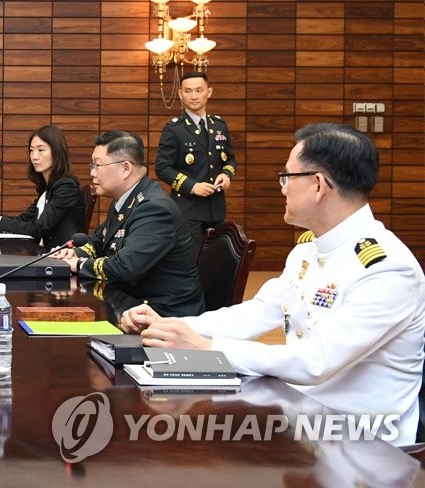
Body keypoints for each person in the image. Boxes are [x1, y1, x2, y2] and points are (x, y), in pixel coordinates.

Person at [122, 123, 425, 446]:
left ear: (318, 185)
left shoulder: (386, 268)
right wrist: (169, 325)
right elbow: (258, 313)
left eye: (287, 177)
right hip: (302, 419)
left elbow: (316, 361)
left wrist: (209, 350)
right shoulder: (308, 251)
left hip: (362, 442)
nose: (282, 188)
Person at [53, 130, 205, 317]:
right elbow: (98, 242)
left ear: (125, 168)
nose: (92, 173)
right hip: (130, 304)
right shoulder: (125, 199)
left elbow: (125, 267)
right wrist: (73, 253)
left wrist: (78, 264)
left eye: (97, 165)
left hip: (164, 315)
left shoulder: (154, 208)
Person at [154, 71, 238, 255]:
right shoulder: (174, 129)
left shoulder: (219, 125)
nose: (194, 96)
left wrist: (226, 174)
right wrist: (192, 186)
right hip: (188, 210)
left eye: (199, 90)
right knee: (191, 262)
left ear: (209, 92)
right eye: (188, 91)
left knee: (215, 261)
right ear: (180, 94)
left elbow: (230, 159)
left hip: (216, 209)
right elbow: (162, 168)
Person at [0, 125, 86, 247]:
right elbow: (25, 218)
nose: (34, 156)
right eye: (31, 150)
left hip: (61, 255)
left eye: (41, 150)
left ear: (57, 152)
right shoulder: (49, 186)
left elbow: (39, 228)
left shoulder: (66, 186)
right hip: (44, 252)